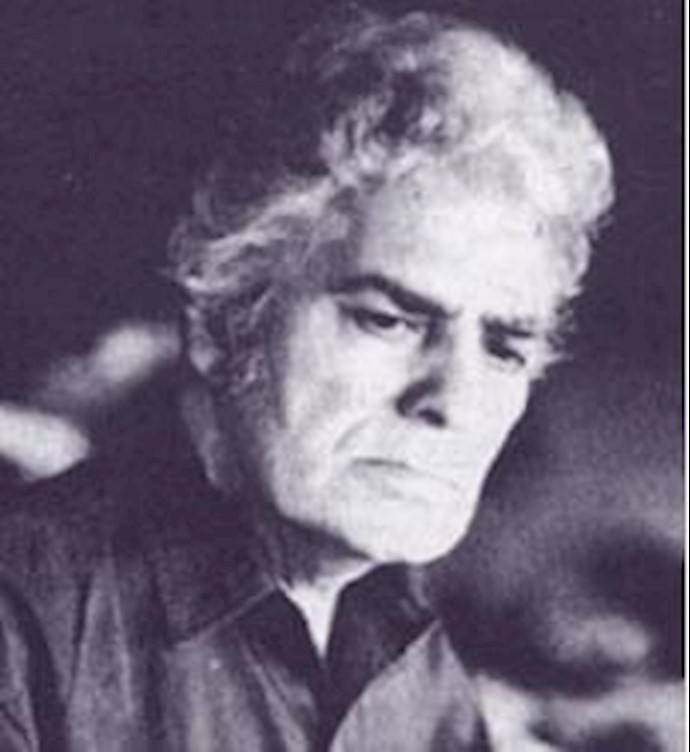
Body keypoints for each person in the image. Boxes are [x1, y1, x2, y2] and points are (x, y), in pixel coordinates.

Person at [0, 5, 614, 750]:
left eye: (505, 349)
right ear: (222, 323)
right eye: (387, 320)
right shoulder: (25, 620)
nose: (455, 400)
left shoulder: (415, 660)